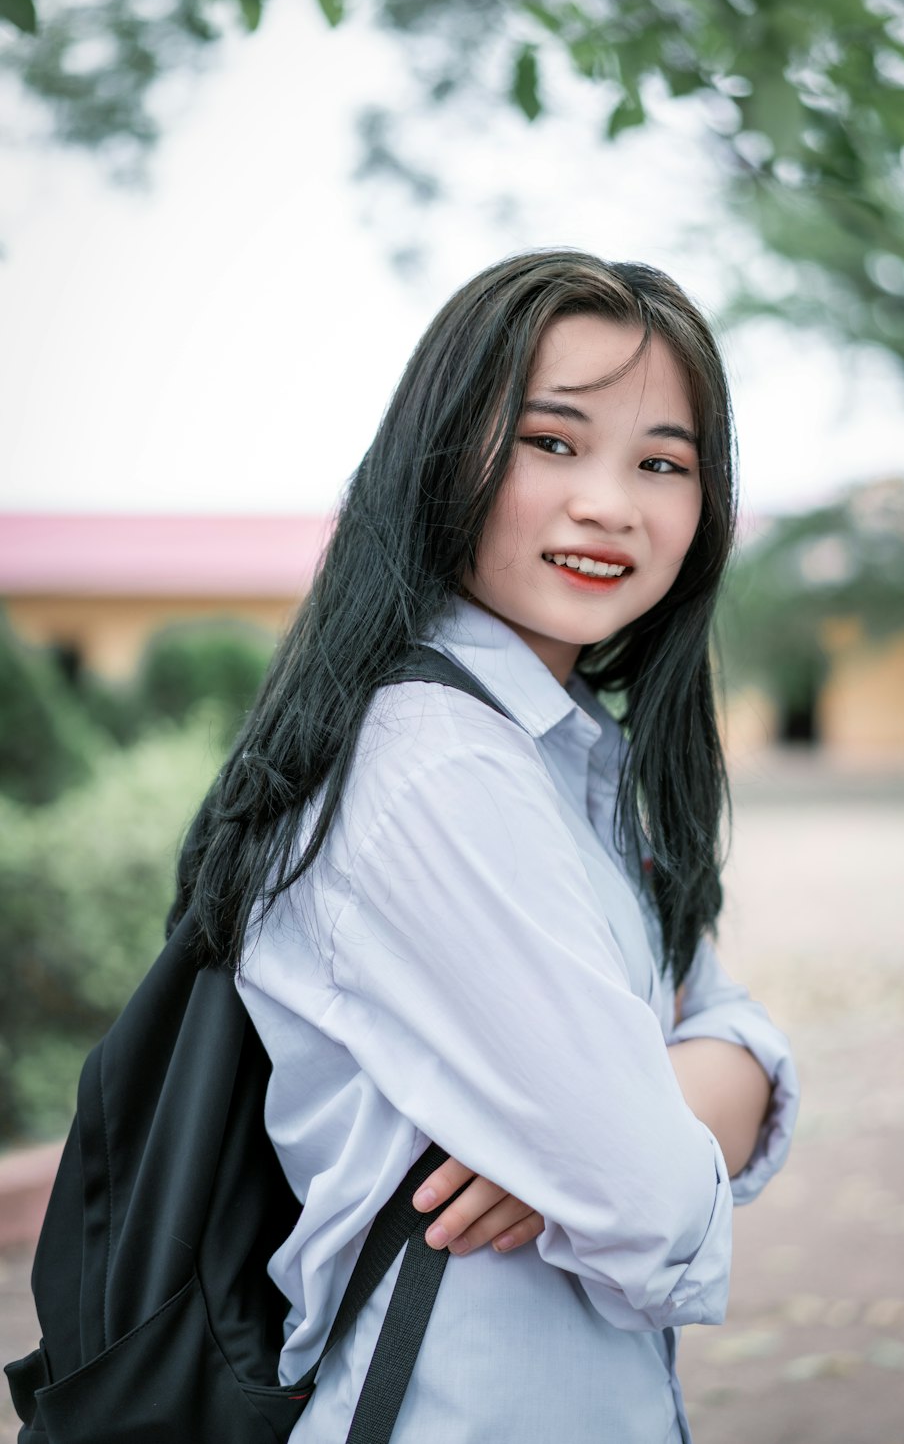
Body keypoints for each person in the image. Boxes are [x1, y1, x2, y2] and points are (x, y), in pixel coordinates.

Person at [176, 249, 799, 1442]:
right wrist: (624, 1125)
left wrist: (607, 1114)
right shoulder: (434, 760)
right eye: (551, 441)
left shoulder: (575, 758)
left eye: (661, 462)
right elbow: (642, 1183)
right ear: (441, 454)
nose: (610, 502)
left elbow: (742, 1038)